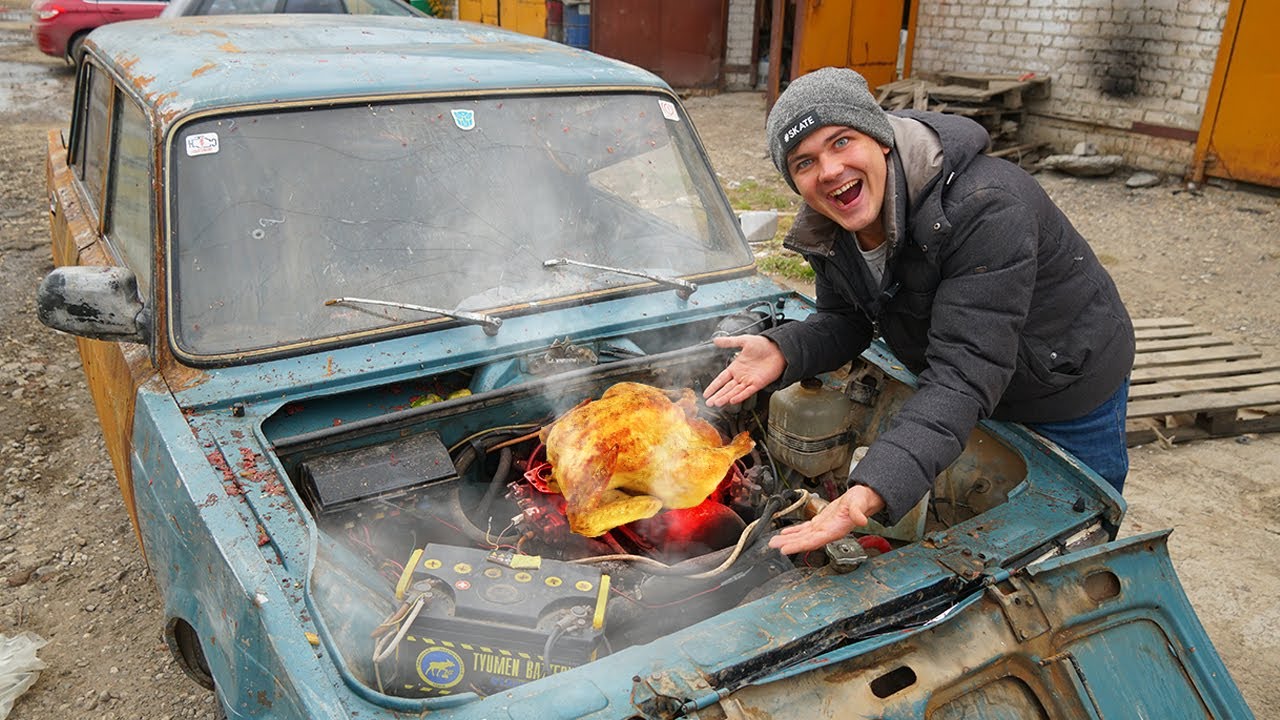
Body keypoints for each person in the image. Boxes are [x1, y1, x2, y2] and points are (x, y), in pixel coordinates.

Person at [703, 67, 1135, 555]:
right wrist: (785, 349)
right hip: (966, 379)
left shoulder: (985, 208)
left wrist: (871, 489)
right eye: (804, 162)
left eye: (842, 141)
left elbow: (962, 374)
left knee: (1070, 545)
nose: (828, 171)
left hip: (1064, 384)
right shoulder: (831, 226)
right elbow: (846, 319)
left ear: (881, 139)